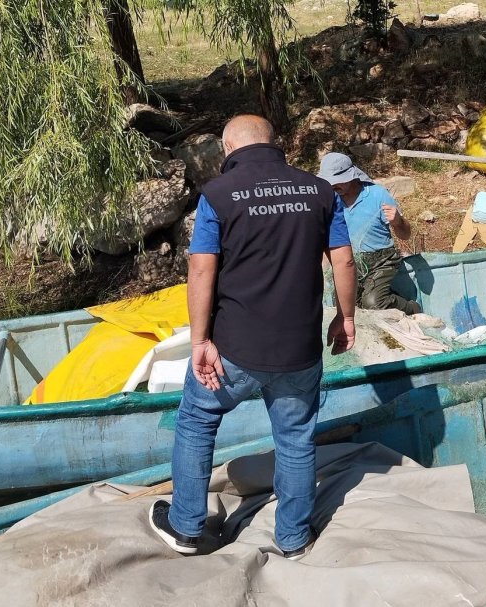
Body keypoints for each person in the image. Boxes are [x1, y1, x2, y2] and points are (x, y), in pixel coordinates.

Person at [148, 115, 356, 561]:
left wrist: (201, 341)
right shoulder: (319, 191)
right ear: (274, 144)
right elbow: (343, 260)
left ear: (228, 150)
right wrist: (346, 317)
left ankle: (185, 528)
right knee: (296, 439)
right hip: (299, 349)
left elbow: (202, 268)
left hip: (233, 349)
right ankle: (294, 539)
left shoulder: (218, 195)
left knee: (197, 421)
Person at [317, 153, 421, 315]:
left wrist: (398, 221)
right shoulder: (329, 199)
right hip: (348, 261)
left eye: (337, 182)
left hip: (382, 261)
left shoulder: (378, 195)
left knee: (372, 302)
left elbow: (405, 234)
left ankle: (412, 308)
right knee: (350, 306)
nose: (333, 186)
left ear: (351, 176)